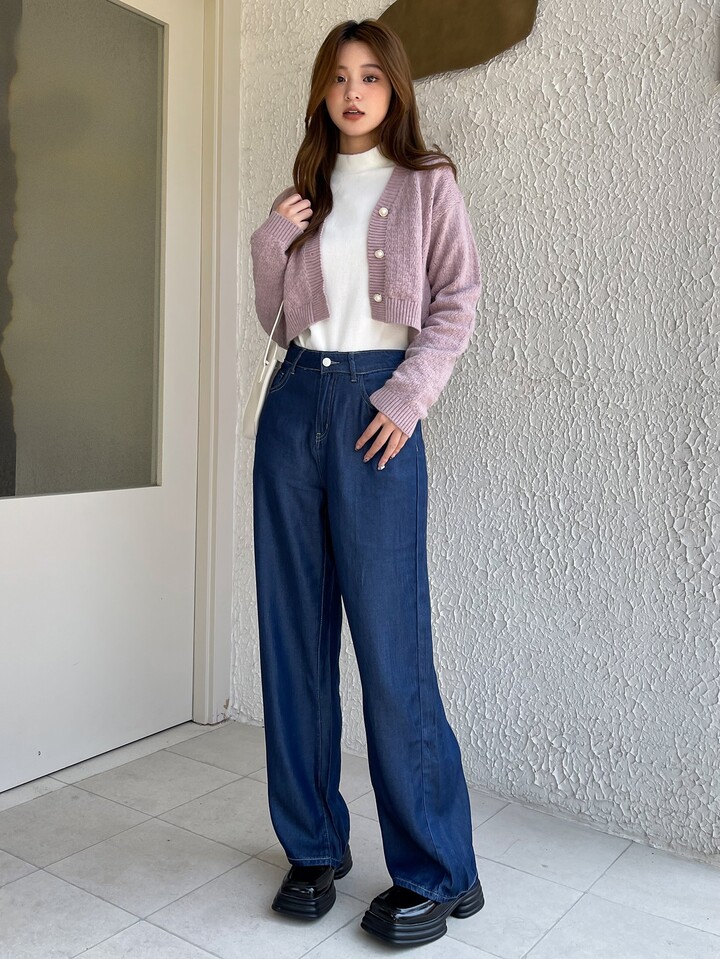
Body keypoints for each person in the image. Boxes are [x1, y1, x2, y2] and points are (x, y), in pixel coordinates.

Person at [249, 17, 484, 948]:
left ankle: (437, 868)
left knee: (393, 649)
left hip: (376, 412)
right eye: (340, 77)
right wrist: (271, 238)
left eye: (371, 77)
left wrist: (408, 396)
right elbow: (276, 319)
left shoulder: (428, 182)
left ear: (395, 90)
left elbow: (457, 300)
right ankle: (313, 847)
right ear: (322, 90)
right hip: (294, 405)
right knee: (293, 640)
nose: (354, 92)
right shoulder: (305, 195)